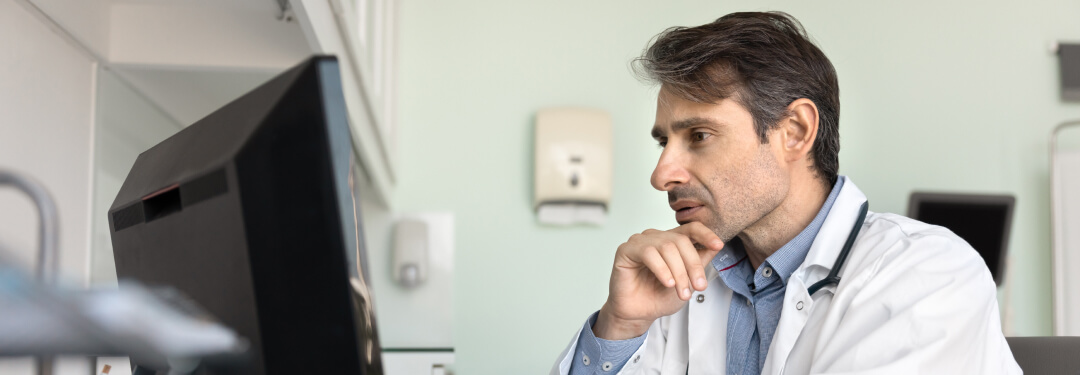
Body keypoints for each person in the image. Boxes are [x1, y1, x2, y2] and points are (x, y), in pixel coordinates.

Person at [551, 11, 1021, 375]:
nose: (661, 174)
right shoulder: (678, 286)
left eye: (698, 135)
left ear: (794, 132)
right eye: (663, 141)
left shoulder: (927, 274)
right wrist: (620, 327)